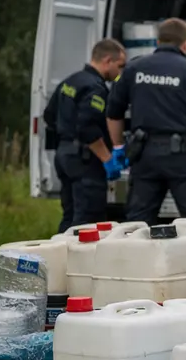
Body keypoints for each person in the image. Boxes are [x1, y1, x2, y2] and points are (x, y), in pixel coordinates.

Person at [106, 17, 186, 223]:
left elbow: (113, 113)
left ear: (158, 42)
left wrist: (118, 146)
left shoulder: (133, 69)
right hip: (183, 159)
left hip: (144, 157)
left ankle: (134, 256)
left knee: (136, 224)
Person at [43, 39, 127, 232]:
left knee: (70, 215)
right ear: (107, 61)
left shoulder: (70, 81)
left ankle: (62, 257)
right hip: (84, 161)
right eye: (120, 66)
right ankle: (79, 260)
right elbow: (87, 128)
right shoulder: (95, 88)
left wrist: (67, 135)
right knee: (88, 220)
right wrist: (107, 159)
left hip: (64, 155)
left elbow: (49, 115)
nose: (120, 73)